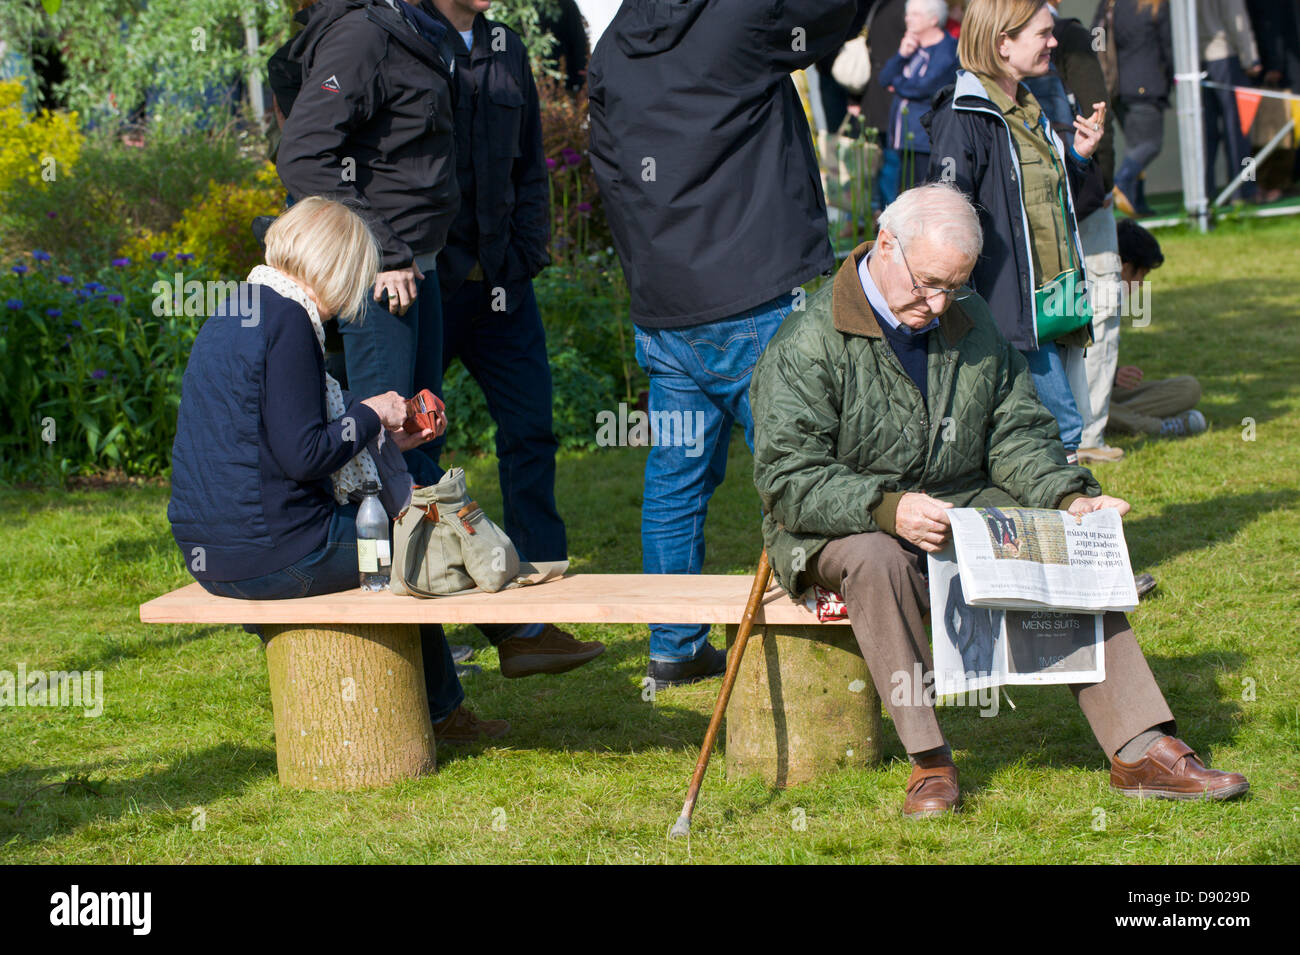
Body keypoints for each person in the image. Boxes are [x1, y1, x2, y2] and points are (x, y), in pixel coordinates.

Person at [750, 184, 1248, 819]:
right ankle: (929, 763)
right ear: (885, 245)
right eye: (928, 283)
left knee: (1062, 544)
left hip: (959, 501)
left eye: (953, 288)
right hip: (839, 524)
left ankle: (1142, 747)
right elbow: (787, 477)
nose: (937, 305)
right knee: (879, 561)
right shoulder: (807, 340)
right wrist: (885, 507)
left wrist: (1067, 498)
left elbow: (1017, 429)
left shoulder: (969, 314)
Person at [588, 0, 858, 689]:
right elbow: (835, 14)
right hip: (755, 293)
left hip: (669, 303)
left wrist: (648, 278)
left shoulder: (617, 41)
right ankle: (833, 620)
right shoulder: (745, 13)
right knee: (801, 461)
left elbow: (611, 174)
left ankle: (674, 647)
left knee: (676, 480)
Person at [168, 198, 506, 744]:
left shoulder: (238, 309)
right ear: (339, 266)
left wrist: (380, 433)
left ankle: (467, 686)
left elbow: (275, 440)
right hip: (279, 557)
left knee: (399, 525)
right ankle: (450, 709)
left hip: (216, 553)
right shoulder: (289, 324)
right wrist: (373, 411)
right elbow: (304, 454)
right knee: (420, 539)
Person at [420, 0, 605, 677]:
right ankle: (431, 606)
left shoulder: (504, 44)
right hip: (429, 284)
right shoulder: (405, 36)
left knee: (531, 428)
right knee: (418, 447)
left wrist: (528, 250)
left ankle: (540, 600)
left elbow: (530, 160)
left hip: (503, 280)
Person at [275, 0, 458, 479]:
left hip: (417, 267)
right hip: (380, 275)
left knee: (421, 430)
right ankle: (370, 555)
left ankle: (421, 554)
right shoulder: (362, 35)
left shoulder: (410, 27)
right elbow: (301, 156)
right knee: (383, 447)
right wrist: (384, 250)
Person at [924, 0, 1107, 461]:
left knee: (1045, 436)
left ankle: (1035, 528)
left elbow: (1044, 206)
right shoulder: (965, 114)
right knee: (1058, 433)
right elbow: (945, 214)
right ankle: (1056, 530)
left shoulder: (1029, 106)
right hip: (1009, 313)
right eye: (1042, 34)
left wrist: (1078, 159)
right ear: (1003, 42)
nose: (1054, 42)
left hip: (1055, 305)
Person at [1027, 0, 1125, 464]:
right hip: (1072, 194)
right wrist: (1098, 183)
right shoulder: (1064, 33)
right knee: (1094, 309)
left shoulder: (993, 33)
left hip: (1052, 196)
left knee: (1064, 311)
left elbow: (1092, 111)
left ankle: (1074, 430)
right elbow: (1096, 107)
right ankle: (1084, 432)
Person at [1107, 220, 1206, 438]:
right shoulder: (1085, 299)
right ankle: (1156, 427)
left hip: (1105, 392)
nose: (1141, 283)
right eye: (1141, 275)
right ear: (1124, 268)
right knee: (1081, 403)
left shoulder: (1117, 302)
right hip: (1080, 394)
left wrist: (1113, 376)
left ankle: (1112, 419)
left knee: (1189, 388)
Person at [1095, 0, 1173, 216]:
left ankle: (1137, 201)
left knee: (1135, 145)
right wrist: (1170, 76)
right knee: (1150, 145)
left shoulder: (1110, 4)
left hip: (1117, 85)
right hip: (1148, 83)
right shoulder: (1156, 5)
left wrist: (1101, 65)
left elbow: (1096, 33)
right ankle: (1122, 181)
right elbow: (1168, 45)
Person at [876, 0, 960, 200]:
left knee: (923, 196)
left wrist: (897, 84)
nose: (908, 19)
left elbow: (924, 87)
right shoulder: (911, 47)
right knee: (903, 194)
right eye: (908, 14)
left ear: (933, 19)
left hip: (924, 139)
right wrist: (901, 55)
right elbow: (884, 78)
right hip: (903, 137)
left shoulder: (947, 50)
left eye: (915, 15)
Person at [1198, 0, 1262, 204]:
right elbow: (1238, 23)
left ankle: (1205, 191)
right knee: (1240, 130)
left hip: (1196, 60)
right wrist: (1250, 58)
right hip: (1226, 57)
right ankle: (1245, 189)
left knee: (1206, 134)